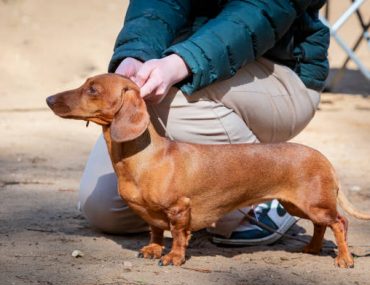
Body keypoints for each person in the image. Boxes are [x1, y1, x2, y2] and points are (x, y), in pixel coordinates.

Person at [78, 0, 329, 245]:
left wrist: (182, 62)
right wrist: (137, 54)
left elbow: (260, 11)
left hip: (280, 71)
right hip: (182, 58)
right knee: (104, 207)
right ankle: (193, 203)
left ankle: (263, 193)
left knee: (159, 101)